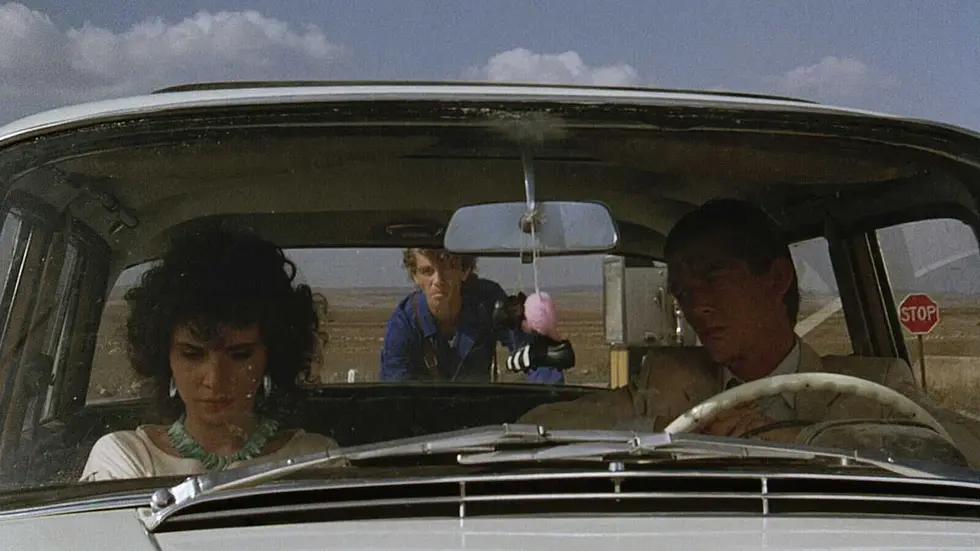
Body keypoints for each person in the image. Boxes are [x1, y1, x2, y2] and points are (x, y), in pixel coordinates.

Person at [517, 198, 917, 440]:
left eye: (713, 279)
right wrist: (659, 428)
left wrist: (805, 441)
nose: (697, 306)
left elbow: (947, 453)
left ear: (776, 279)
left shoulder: (874, 390)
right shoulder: (669, 381)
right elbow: (536, 426)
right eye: (683, 292)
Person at [80, 227, 338, 481]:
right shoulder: (126, 458)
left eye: (240, 355)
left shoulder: (316, 458)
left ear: (271, 356)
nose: (215, 379)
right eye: (192, 354)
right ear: (165, 356)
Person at [380, 248, 565, 384]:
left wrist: (552, 403)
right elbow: (395, 392)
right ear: (415, 276)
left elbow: (532, 351)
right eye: (427, 271)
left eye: (447, 268)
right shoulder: (403, 325)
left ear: (465, 270)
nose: (438, 280)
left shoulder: (487, 301)